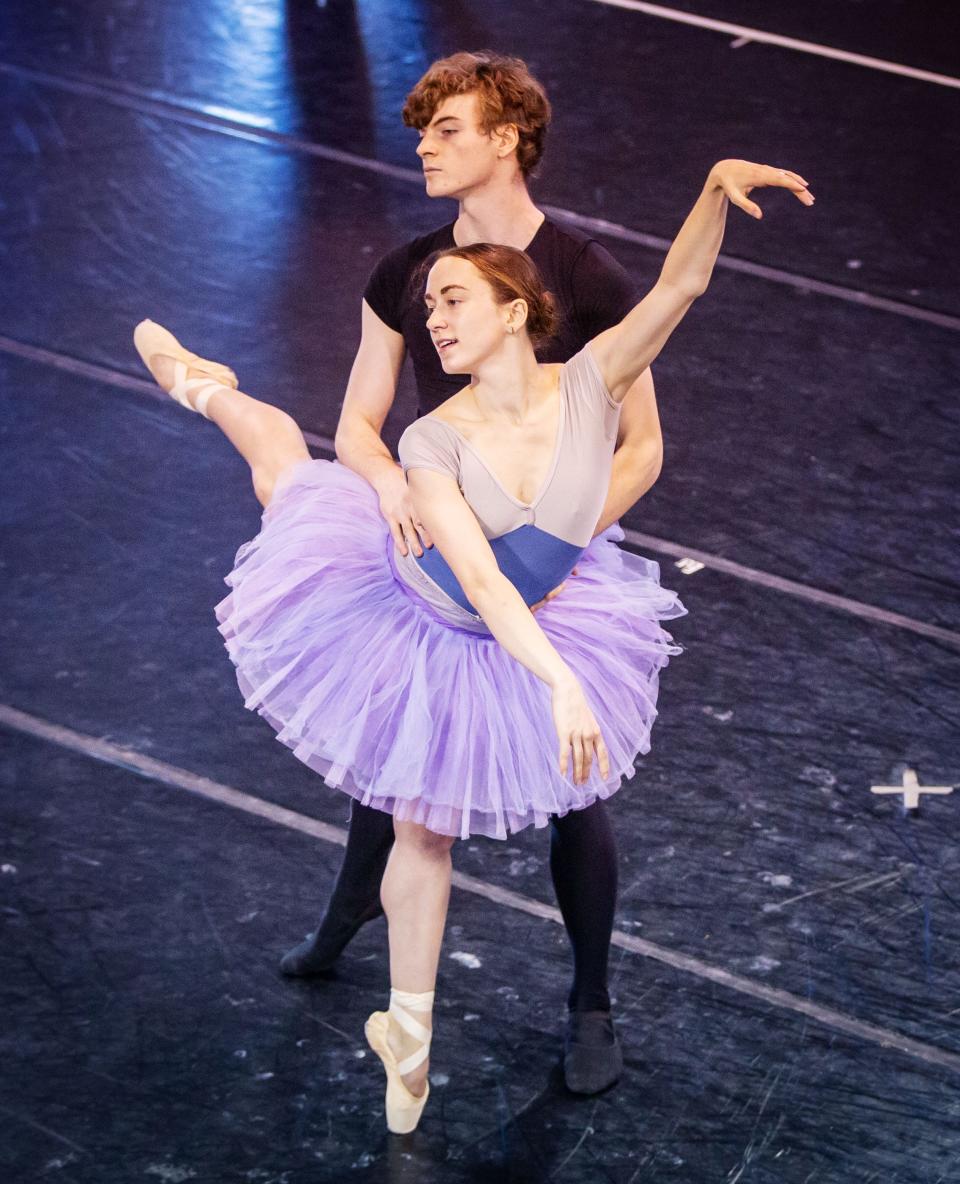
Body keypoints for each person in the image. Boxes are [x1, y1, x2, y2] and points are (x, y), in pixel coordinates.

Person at [132, 158, 814, 1132]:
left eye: (453, 299)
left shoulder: (590, 381)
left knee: (434, 815)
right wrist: (559, 683)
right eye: (431, 302)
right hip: (407, 608)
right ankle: (201, 384)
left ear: (515, 310)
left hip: (511, 620)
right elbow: (488, 586)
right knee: (281, 465)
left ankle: (439, 1018)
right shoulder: (435, 440)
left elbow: (682, 286)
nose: (435, 319)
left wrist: (707, 190)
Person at [282, 51, 665, 1099]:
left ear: (507, 138)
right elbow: (360, 423)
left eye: (447, 128)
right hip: (432, 532)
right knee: (395, 742)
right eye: (423, 130)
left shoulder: (585, 277)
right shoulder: (406, 271)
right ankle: (354, 905)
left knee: (570, 781)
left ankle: (591, 998)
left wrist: (558, 540)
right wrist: (395, 488)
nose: (424, 146)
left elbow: (641, 448)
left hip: (544, 555)